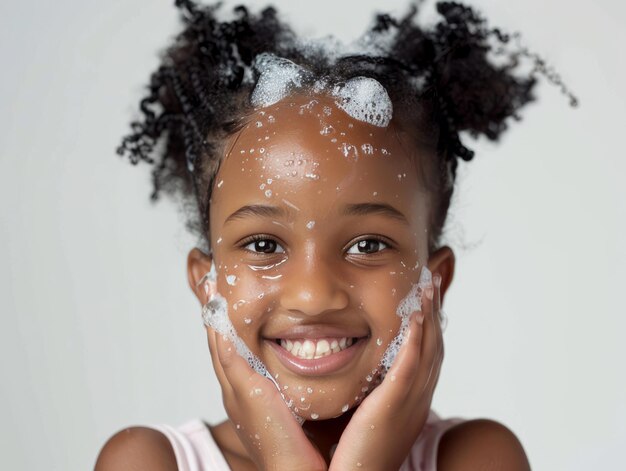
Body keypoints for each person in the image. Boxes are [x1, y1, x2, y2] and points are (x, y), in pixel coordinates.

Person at [95, 1, 576, 469]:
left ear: (435, 282)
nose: (313, 295)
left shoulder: (475, 458)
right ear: (208, 284)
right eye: (264, 245)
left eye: (367, 245)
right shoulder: (149, 461)